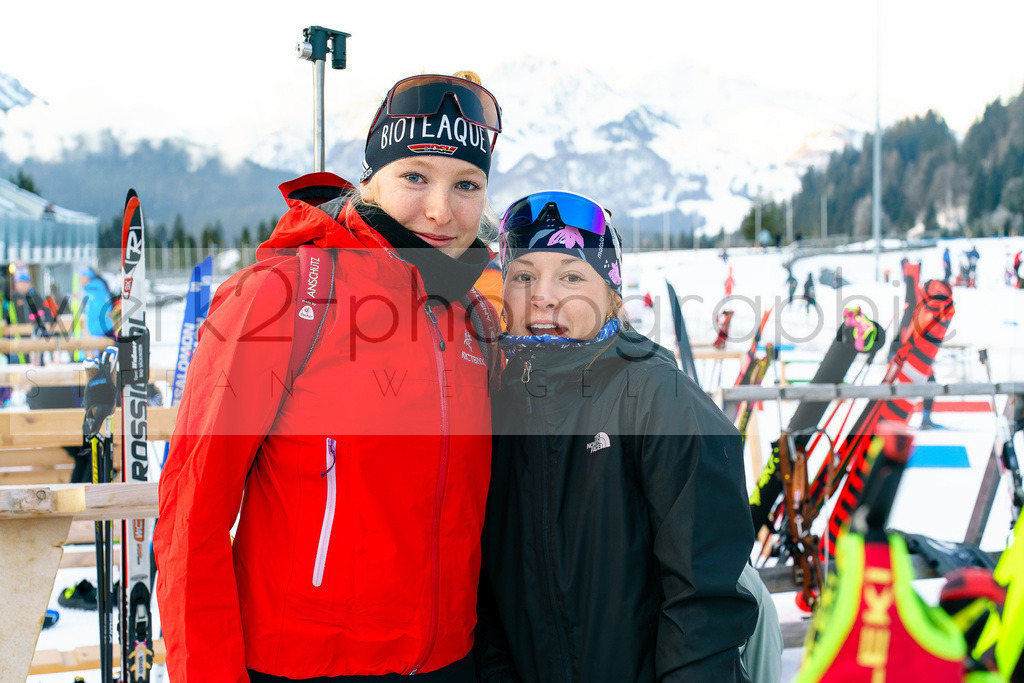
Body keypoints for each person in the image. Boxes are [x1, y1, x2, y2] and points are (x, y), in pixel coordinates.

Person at [155, 71, 503, 681]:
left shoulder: (475, 318)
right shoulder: (281, 298)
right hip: (307, 665)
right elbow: (193, 517)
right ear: (371, 179)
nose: (441, 210)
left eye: (466, 184)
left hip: (451, 660)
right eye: (414, 176)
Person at [476, 191, 763, 682]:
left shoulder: (655, 396)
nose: (543, 296)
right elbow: (491, 597)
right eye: (524, 276)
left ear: (610, 294)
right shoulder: (500, 405)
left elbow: (704, 600)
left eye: (570, 275)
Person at [77, 267, 115, 338]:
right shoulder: (93, 289)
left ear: (87, 277)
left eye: (81, 277)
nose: (80, 280)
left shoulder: (94, 288)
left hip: (100, 331)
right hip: (102, 329)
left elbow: (96, 311)